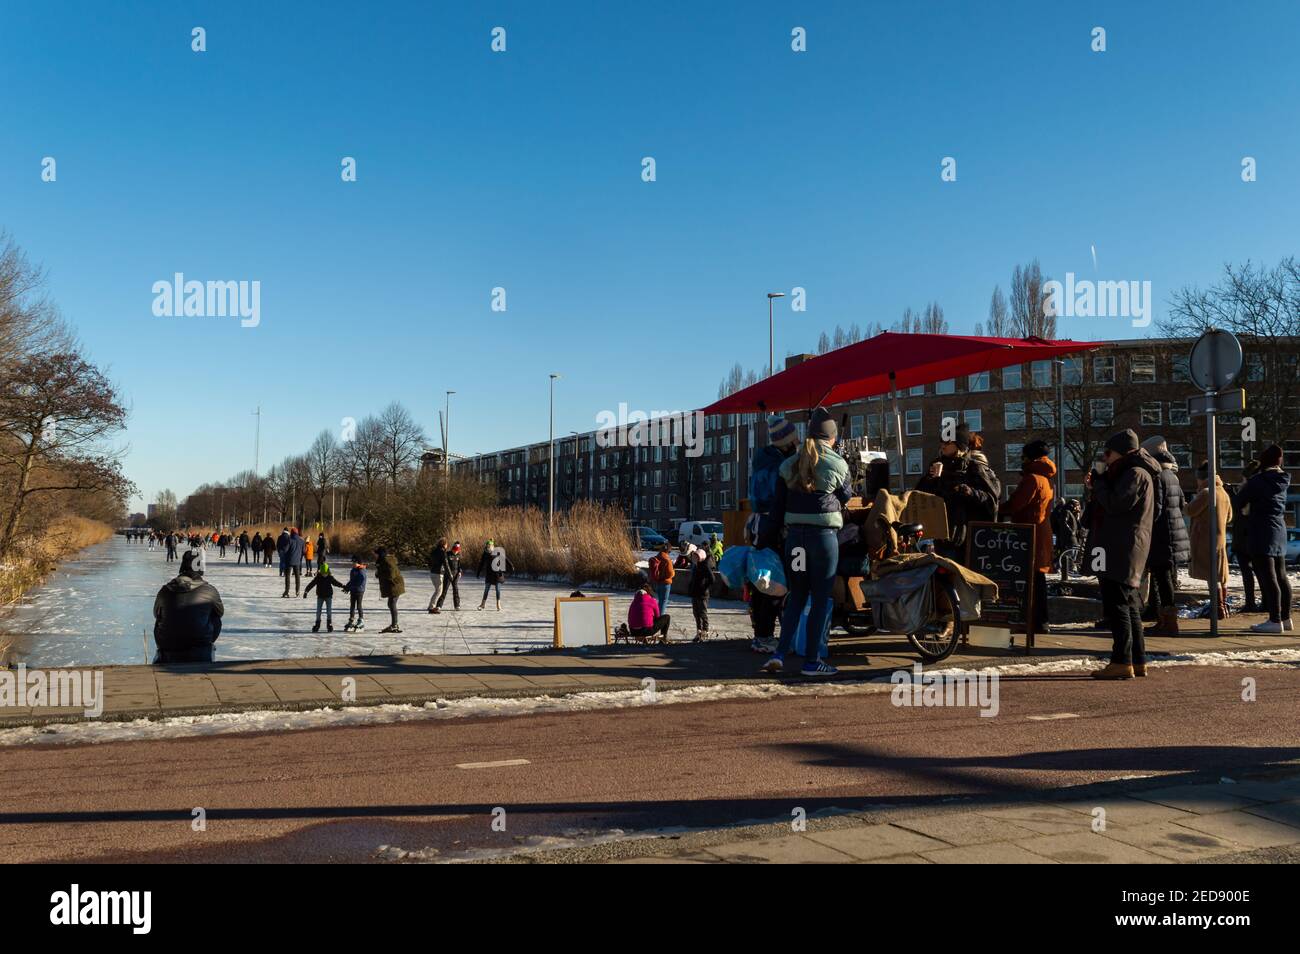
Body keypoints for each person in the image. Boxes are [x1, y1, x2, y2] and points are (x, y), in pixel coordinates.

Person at [760, 406, 852, 677]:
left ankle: (779, 653)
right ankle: (812, 662)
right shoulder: (838, 463)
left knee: (797, 596)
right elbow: (847, 495)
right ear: (831, 437)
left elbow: (777, 507)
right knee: (820, 599)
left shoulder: (788, 465)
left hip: (795, 541)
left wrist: (764, 539)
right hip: (823, 540)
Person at [1087, 429, 1162, 680]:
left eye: (1108, 453)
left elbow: (1117, 505)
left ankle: (1121, 660)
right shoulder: (1134, 472)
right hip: (1124, 545)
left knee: (1117, 604)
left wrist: (1099, 483)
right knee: (1128, 605)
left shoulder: (1134, 473)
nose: (1105, 458)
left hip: (1122, 546)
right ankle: (1138, 660)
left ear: (1120, 451)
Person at [913, 421, 1001, 558]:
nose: (942, 446)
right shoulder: (938, 465)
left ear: (959, 445)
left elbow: (991, 498)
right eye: (941, 442)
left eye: (947, 443)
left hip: (969, 538)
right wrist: (930, 479)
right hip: (941, 535)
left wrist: (968, 491)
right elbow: (920, 495)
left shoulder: (974, 467)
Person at [999, 438, 1055, 633]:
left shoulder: (1032, 479)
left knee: (1033, 582)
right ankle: (1041, 622)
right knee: (1038, 580)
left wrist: (998, 509)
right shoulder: (1044, 478)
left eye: (1023, 456)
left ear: (1029, 457)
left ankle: (1036, 622)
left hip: (1030, 535)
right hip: (1040, 532)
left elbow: (1016, 504)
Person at [1238, 444, 1292, 633]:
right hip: (1279, 530)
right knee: (1281, 576)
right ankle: (1285, 618)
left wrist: (1243, 487)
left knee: (1268, 578)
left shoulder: (1257, 481)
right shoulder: (1282, 480)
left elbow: (1239, 502)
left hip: (1261, 530)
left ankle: (1274, 620)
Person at [1139, 436, 1188, 636]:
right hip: (1173, 533)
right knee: (1165, 578)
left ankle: (1168, 622)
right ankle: (1165, 620)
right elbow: (1182, 504)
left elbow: (1156, 508)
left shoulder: (1157, 476)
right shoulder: (1172, 476)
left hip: (1161, 535)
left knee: (1162, 578)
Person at [152, 551, 224, 663]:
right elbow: (220, 612)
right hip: (199, 644)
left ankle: (163, 652)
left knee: (161, 616)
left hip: (168, 643)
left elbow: (156, 613)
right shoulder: (210, 590)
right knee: (214, 616)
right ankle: (205, 649)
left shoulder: (165, 590)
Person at [1186, 459, 1232, 621]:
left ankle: (1217, 608)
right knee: (1220, 575)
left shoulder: (1206, 492)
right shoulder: (1223, 493)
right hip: (1220, 538)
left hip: (1205, 539)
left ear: (1202, 478)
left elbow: (1190, 510)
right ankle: (1223, 607)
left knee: (1211, 575)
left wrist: (1184, 503)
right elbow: (1229, 517)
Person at [748, 415, 801, 543]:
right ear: (786, 442)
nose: (798, 442)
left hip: (760, 524)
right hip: (775, 526)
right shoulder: (778, 467)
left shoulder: (763, 460)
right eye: (795, 439)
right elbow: (782, 498)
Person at [1228, 461, 1261, 612]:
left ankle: (1250, 602)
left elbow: (1237, 506)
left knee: (1248, 573)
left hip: (1244, 537)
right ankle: (1263, 602)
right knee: (1260, 572)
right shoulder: (1261, 489)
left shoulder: (1248, 489)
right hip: (1252, 536)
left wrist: (1233, 493)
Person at [303, 560, 346, 632]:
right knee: (318, 611)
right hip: (320, 596)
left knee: (329, 611)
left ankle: (329, 624)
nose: (324, 575)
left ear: (328, 572)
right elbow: (312, 584)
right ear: (321, 572)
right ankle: (317, 624)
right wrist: (306, 591)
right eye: (323, 573)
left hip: (328, 596)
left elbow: (336, 583)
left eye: (325, 573)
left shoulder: (330, 577)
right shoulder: (318, 577)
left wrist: (343, 586)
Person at [687, 544, 715, 641]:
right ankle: (698, 632)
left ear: (701, 557)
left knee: (703, 613)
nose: (694, 558)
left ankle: (705, 631)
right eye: (694, 556)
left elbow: (712, 579)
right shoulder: (696, 566)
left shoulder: (705, 566)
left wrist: (704, 587)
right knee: (696, 613)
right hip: (695, 593)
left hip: (702, 594)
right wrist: (690, 587)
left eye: (696, 557)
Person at [476, 539, 514, 610]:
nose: (489, 547)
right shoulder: (485, 554)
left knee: (497, 589)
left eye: (490, 546)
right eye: (487, 546)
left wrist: (511, 565)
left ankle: (498, 605)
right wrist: (478, 572)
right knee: (486, 589)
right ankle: (482, 604)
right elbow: (481, 563)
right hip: (489, 574)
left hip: (497, 574)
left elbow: (505, 558)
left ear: (493, 546)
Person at [375, 545, 405, 633]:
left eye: (376, 554)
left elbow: (391, 574)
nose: (375, 555)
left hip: (395, 586)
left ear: (381, 554)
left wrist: (380, 574)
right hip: (393, 585)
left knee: (392, 604)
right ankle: (394, 624)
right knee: (391, 604)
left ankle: (394, 625)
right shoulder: (383, 561)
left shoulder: (387, 561)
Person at [647, 542, 675, 611]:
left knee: (660, 600)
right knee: (663, 602)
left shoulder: (657, 557)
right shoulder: (667, 560)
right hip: (666, 583)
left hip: (658, 581)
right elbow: (670, 574)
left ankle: (657, 615)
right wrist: (674, 573)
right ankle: (660, 618)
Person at [343, 556, 367, 631]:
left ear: (358, 563)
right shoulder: (353, 570)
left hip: (359, 590)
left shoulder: (362, 570)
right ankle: (351, 620)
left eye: (354, 562)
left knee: (359, 605)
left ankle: (361, 620)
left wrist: (352, 586)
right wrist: (347, 587)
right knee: (352, 605)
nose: (353, 564)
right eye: (352, 562)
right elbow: (352, 581)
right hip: (353, 590)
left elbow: (361, 581)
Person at [437, 541, 463, 611]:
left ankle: (457, 605)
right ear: (452, 549)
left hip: (456, 575)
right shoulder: (447, 554)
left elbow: (459, 565)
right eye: (454, 550)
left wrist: (460, 571)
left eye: (457, 551)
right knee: (444, 590)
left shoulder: (458, 555)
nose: (455, 552)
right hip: (448, 575)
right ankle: (439, 605)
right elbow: (445, 564)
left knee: (455, 590)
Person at [427, 538, 448, 613]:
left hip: (432, 573)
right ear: (444, 544)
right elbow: (446, 564)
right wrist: (450, 574)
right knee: (439, 591)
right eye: (446, 544)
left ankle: (432, 606)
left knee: (438, 590)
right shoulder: (442, 552)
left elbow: (429, 561)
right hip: (438, 574)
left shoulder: (434, 551)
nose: (447, 546)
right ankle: (431, 607)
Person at [282, 528, 305, 597]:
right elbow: (304, 551)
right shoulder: (301, 541)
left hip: (289, 560)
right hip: (297, 561)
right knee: (297, 576)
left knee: (288, 576)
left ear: (291, 533)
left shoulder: (289, 540)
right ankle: (297, 591)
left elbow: (285, 550)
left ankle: (286, 591)